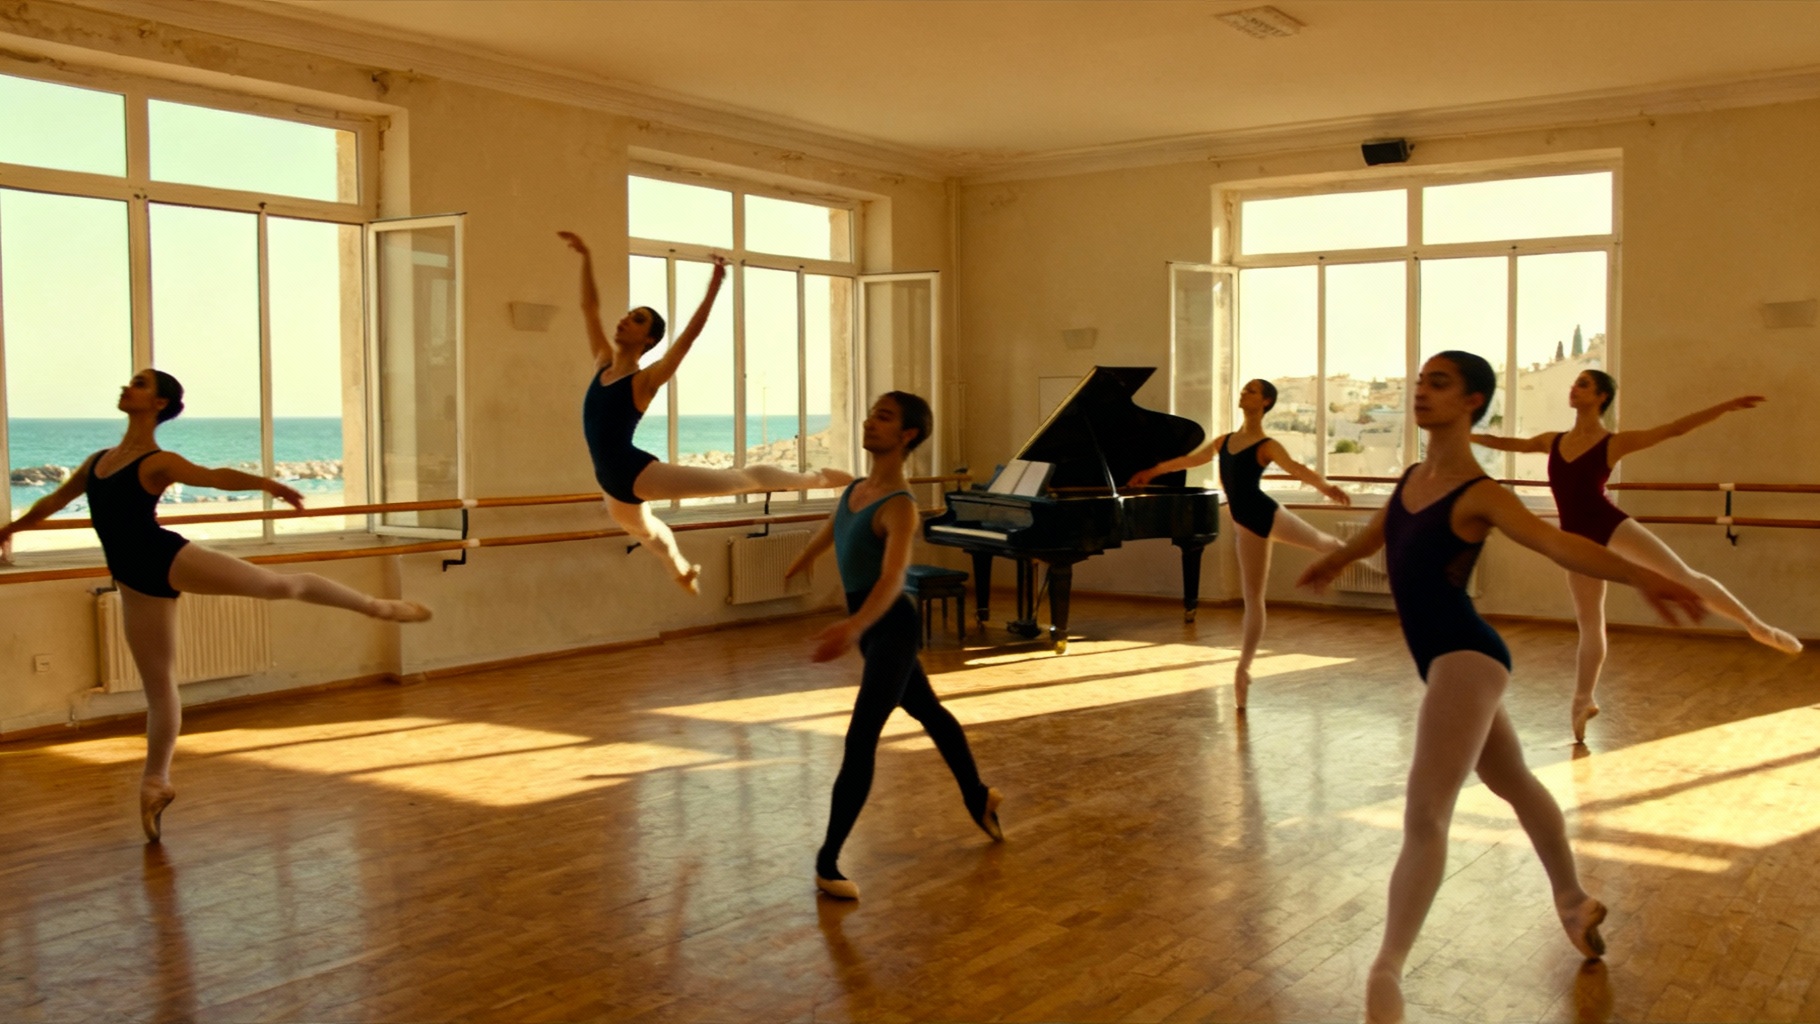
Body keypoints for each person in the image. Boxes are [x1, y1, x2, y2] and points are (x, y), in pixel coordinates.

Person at [1297, 352, 1705, 1024]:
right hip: (1445, 660)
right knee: (1512, 779)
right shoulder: (1413, 478)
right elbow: (1377, 534)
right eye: (1421, 381)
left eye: (1439, 383)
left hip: (1466, 657)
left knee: (1425, 815)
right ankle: (1572, 901)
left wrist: (1643, 574)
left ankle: (1385, 972)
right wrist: (1335, 559)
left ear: (1472, 402)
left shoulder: (1482, 494)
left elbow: (1558, 544)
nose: (1422, 391)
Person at [0, 370, 431, 842]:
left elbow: (213, 477)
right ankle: (156, 784)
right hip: (133, 581)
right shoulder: (97, 461)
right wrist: (12, 528)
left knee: (279, 585)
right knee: (159, 686)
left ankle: (378, 608)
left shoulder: (157, 461)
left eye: (140, 384)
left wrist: (268, 484)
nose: (127, 387)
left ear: (159, 404)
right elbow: (54, 500)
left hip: (167, 558)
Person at [1473, 370, 1800, 741]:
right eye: (1575, 383)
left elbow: (1674, 429)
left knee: (1682, 575)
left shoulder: (1612, 443)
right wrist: (1463, 433)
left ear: (1601, 397)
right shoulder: (1553, 440)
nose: (1574, 388)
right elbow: (1507, 443)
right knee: (1590, 622)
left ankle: (1757, 626)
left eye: (1583, 384)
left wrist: (1724, 407)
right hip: (1575, 540)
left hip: (1610, 524)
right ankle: (1583, 700)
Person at [784, 391, 1002, 900]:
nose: (869, 422)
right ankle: (978, 795)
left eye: (883, 417)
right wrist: (804, 558)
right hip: (874, 630)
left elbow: (892, 578)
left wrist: (852, 627)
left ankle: (827, 861)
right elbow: (834, 528)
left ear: (907, 435)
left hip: (893, 628)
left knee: (861, 738)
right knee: (929, 711)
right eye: (870, 414)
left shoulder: (901, 507)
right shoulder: (856, 490)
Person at [561, 232, 851, 593]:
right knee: (647, 533)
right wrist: (586, 255)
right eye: (628, 315)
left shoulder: (645, 380)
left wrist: (714, 286)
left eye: (637, 320)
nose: (624, 320)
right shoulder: (602, 362)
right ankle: (680, 568)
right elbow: (589, 308)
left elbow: (688, 338)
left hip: (636, 473)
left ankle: (816, 479)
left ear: (649, 340)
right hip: (609, 484)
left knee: (743, 479)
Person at [1128, 378, 1351, 708]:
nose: (1244, 393)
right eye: (1244, 389)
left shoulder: (1267, 444)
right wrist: (1153, 472)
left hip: (1267, 514)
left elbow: (1296, 468)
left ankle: (1377, 560)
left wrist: (1326, 487)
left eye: (1251, 390)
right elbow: (1189, 460)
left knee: (1322, 543)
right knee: (1253, 598)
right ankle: (1242, 671)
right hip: (1245, 525)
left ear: (1265, 402)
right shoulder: (1224, 441)